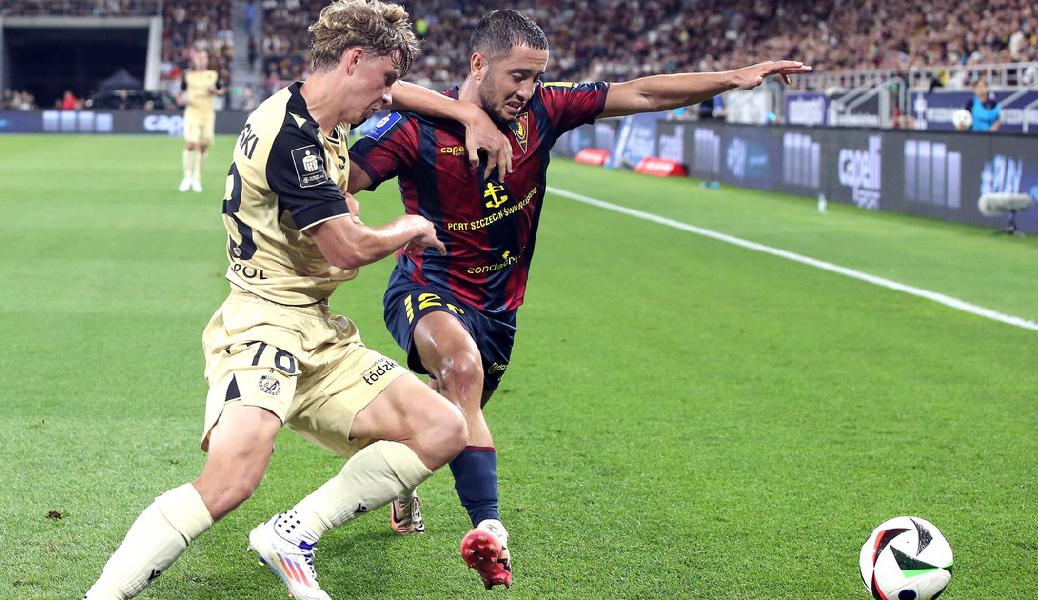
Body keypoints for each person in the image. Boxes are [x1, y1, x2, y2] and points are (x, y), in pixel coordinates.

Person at [347, 8, 809, 589]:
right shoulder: (414, 128)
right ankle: (490, 530)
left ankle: (404, 475)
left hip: (499, 306)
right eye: (518, 75)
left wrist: (733, 77)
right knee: (460, 370)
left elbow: (640, 93)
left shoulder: (544, 110)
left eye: (537, 77)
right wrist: (358, 218)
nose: (528, 89)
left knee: (452, 413)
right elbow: (341, 179)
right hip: (426, 285)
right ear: (479, 64)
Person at [82, 2, 513, 599]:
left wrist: (466, 112)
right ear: (353, 60)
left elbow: (401, 98)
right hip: (263, 325)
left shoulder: (324, 112)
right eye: (385, 78)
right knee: (231, 480)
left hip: (317, 329)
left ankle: (291, 535)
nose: (389, 96)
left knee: (441, 426)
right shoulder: (292, 139)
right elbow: (347, 247)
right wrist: (409, 226)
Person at [177, 49, 226, 193]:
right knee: (190, 144)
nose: (201, 60)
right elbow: (180, 93)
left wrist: (215, 91)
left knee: (203, 146)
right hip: (192, 112)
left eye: (204, 57)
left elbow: (221, 91)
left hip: (207, 114)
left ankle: (197, 179)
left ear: (207, 60)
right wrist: (180, 99)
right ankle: (187, 177)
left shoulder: (213, 75)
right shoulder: (188, 75)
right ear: (195, 59)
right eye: (199, 57)